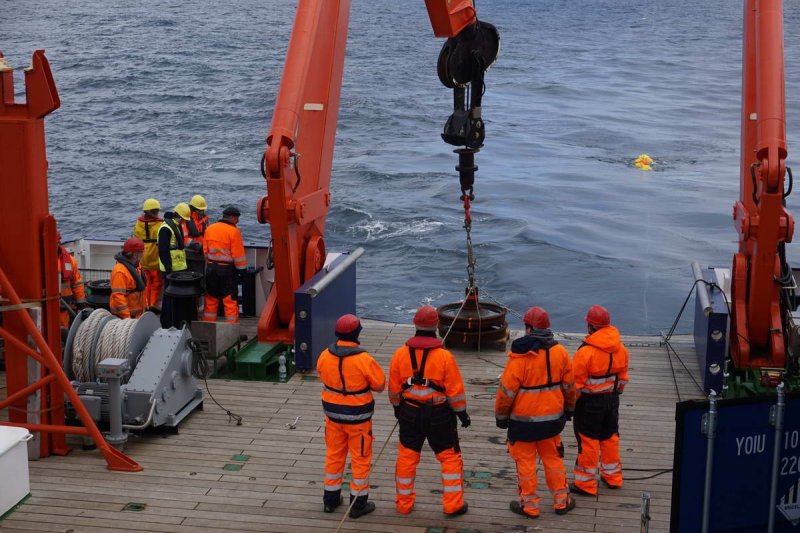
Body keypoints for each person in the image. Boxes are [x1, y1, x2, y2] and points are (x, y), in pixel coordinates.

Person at [388, 305, 470, 517]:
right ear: (436, 326)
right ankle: (453, 505)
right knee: (449, 458)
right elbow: (455, 392)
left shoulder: (400, 354)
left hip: (409, 411)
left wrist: (398, 408)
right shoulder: (444, 357)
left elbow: (394, 388)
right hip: (439, 415)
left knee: (407, 457)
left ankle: (403, 505)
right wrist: (462, 414)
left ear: (415, 324)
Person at [495, 306, 576, 518]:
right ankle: (562, 501)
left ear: (528, 328)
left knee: (526, 463)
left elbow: (506, 393)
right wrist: (569, 410)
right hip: (552, 422)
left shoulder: (520, 357)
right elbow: (569, 387)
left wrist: (501, 418)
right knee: (553, 460)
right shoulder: (561, 353)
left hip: (523, 424)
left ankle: (529, 506)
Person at [317, 314, 386, 518]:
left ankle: (330, 500)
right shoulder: (364, 359)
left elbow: (321, 372)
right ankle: (358, 505)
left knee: (334, 457)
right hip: (358, 420)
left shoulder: (324, 355)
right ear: (357, 334)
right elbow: (380, 385)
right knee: (360, 460)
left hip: (333, 418)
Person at [571, 304, 630, 496]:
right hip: (612, 401)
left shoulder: (585, 353)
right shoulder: (620, 349)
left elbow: (575, 386)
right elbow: (622, 379)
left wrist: (570, 406)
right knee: (610, 437)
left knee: (588, 441)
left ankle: (585, 484)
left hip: (589, 404)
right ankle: (613, 476)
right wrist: (614, 395)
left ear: (591, 326)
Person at [201, 206, 247, 323]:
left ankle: (208, 325)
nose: (238, 221)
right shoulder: (234, 231)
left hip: (211, 268)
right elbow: (238, 255)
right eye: (237, 218)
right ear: (231, 217)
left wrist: (211, 262)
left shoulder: (210, 228)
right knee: (230, 300)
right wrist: (242, 271)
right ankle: (231, 329)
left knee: (211, 298)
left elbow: (205, 251)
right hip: (227, 270)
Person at [157, 203, 191, 328]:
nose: (183, 222)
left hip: (179, 269)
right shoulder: (166, 228)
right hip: (170, 271)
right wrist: (168, 268)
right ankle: (167, 322)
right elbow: (163, 250)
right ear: (178, 216)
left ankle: (177, 321)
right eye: (183, 219)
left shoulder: (176, 226)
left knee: (177, 297)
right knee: (169, 297)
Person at [132, 198, 163, 311]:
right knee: (157, 283)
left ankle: (145, 305)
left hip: (142, 259)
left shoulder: (138, 223)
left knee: (146, 283)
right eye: (155, 211)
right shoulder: (160, 224)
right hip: (155, 259)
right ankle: (152, 305)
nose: (156, 213)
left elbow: (134, 238)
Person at [109, 238, 147, 319]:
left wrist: (145, 306)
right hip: (124, 318)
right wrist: (127, 318)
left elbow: (141, 290)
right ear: (135, 255)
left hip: (137, 315)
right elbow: (118, 297)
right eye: (141, 252)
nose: (143, 255)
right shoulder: (120, 272)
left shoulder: (136, 266)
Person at [56, 230, 87, 328]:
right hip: (46, 306)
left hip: (64, 308)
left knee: (63, 332)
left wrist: (80, 305)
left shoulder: (70, 261)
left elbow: (77, 284)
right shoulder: (39, 261)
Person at [185, 195, 209, 280]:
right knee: (189, 280)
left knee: (200, 279)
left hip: (201, 255)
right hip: (189, 256)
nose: (202, 212)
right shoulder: (185, 219)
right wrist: (199, 246)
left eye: (203, 210)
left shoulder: (205, 219)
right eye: (199, 210)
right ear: (193, 209)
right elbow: (184, 238)